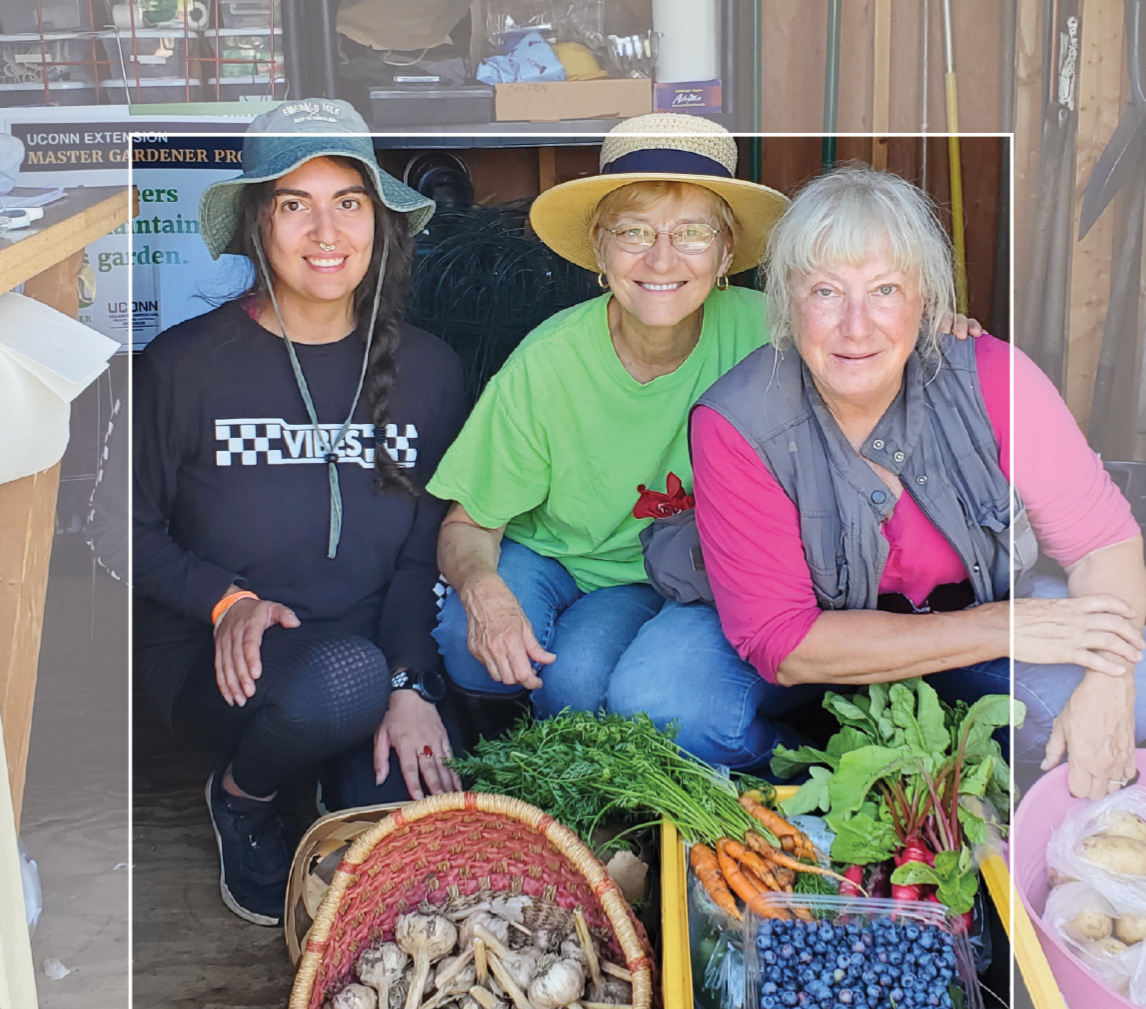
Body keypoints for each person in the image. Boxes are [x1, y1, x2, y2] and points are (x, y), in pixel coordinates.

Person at [428, 116, 974, 766]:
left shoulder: (772, 335)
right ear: (601, 253)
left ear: (725, 255)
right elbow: (465, 526)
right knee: (467, 633)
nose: (662, 259)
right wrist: (484, 591)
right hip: (558, 559)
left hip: (691, 573)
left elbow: (863, 340)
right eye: (634, 233)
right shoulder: (547, 362)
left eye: (692, 233)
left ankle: (760, 773)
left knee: (580, 677)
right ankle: (508, 783)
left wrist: (928, 328)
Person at [690, 163, 1146, 803]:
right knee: (671, 700)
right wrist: (1002, 627)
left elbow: (1103, 544)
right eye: (825, 291)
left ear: (925, 300)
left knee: (1138, 690)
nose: (856, 325)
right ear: (788, 302)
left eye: (884, 290)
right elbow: (783, 642)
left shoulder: (990, 375)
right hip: (822, 660)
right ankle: (810, 785)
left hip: (973, 625)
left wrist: (1111, 675)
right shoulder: (736, 421)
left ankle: (1001, 803)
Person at [132, 100, 466, 926]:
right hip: (222, 656)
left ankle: (327, 760)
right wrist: (225, 600)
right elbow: (118, 531)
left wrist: (410, 681)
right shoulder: (183, 365)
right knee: (332, 686)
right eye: (294, 203)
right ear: (257, 223)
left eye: (348, 202)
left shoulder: (429, 371)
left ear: (378, 224)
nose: (326, 230)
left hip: (371, 649)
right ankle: (245, 794)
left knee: (416, 843)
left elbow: (425, 554)